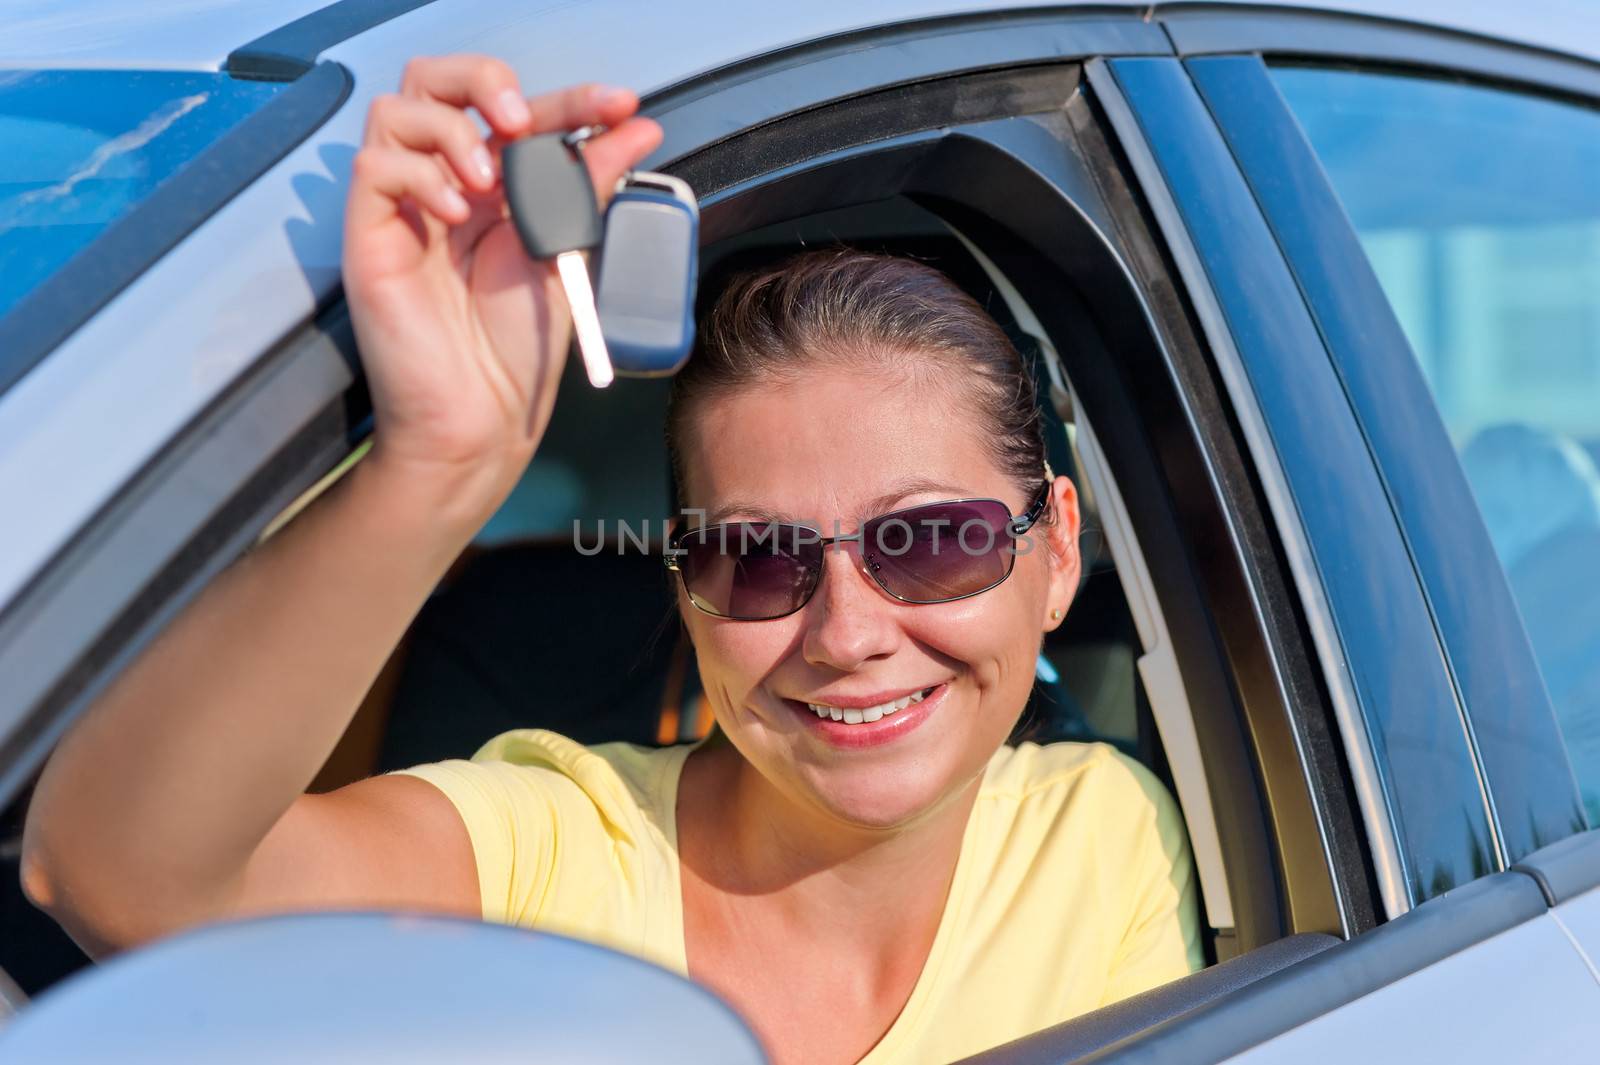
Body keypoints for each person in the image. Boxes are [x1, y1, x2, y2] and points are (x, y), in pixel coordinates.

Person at [20, 57, 1202, 1064]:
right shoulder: (556, 853)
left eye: (929, 542)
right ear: (686, 596)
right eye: (754, 560)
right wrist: (438, 465)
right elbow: (126, 880)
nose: (846, 634)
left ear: (1054, 551)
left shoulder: (1101, 841)